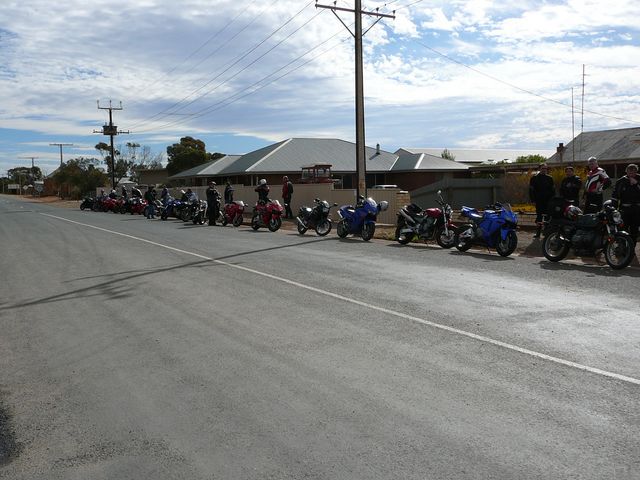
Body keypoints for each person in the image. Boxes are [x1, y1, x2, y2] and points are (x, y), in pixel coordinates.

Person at [612, 163, 640, 243]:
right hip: (624, 209)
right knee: (622, 229)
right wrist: (614, 208)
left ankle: (632, 247)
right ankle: (623, 247)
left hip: (637, 209)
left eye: (633, 172)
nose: (631, 174)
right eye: (629, 172)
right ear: (626, 171)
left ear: (636, 172)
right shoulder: (621, 181)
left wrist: (636, 184)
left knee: (634, 230)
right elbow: (615, 196)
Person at [529, 163, 555, 238]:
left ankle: (546, 233)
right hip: (538, 201)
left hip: (548, 201)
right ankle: (538, 233)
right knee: (539, 217)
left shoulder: (550, 178)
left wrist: (552, 200)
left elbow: (553, 190)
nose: (544, 170)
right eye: (543, 168)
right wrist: (533, 200)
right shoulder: (534, 178)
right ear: (539, 169)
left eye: (545, 168)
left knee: (547, 217)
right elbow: (531, 190)